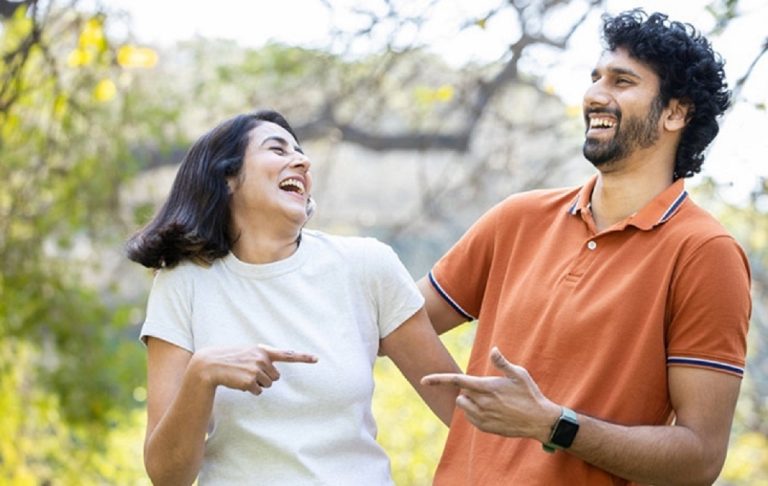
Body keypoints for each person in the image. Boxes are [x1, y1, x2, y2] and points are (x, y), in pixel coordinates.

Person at [419, 9, 751, 486]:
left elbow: (699, 459)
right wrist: (469, 417)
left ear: (675, 113)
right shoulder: (518, 218)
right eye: (595, 77)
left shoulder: (705, 253)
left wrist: (554, 426)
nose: (595, 94)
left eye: (622, 81)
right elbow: (396, 321)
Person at [126, 109, 461, 485]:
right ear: (227, 178)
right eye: (277, 149)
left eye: (300, 152)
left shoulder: (367, 265)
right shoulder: (182, 283)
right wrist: (202, 375)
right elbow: (166, 476)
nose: (303, 162)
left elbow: (465, 416)